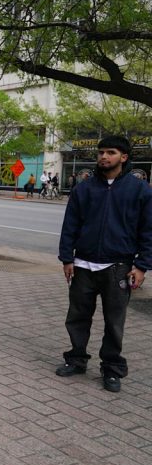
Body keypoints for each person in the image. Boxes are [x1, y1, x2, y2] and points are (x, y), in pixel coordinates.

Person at [56, 135, 152, 392]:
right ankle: (76, 359)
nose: (104, 157)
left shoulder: (140, 190)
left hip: (118, 267)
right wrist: (67, 258)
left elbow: (148, 231)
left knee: (114, 322)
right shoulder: (84, 188)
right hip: (83, 265)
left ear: (124, 157)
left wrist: (142, 266)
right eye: (101, 152)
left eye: (110, 152)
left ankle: (112, 369)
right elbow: (70, 226)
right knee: (77, 317)